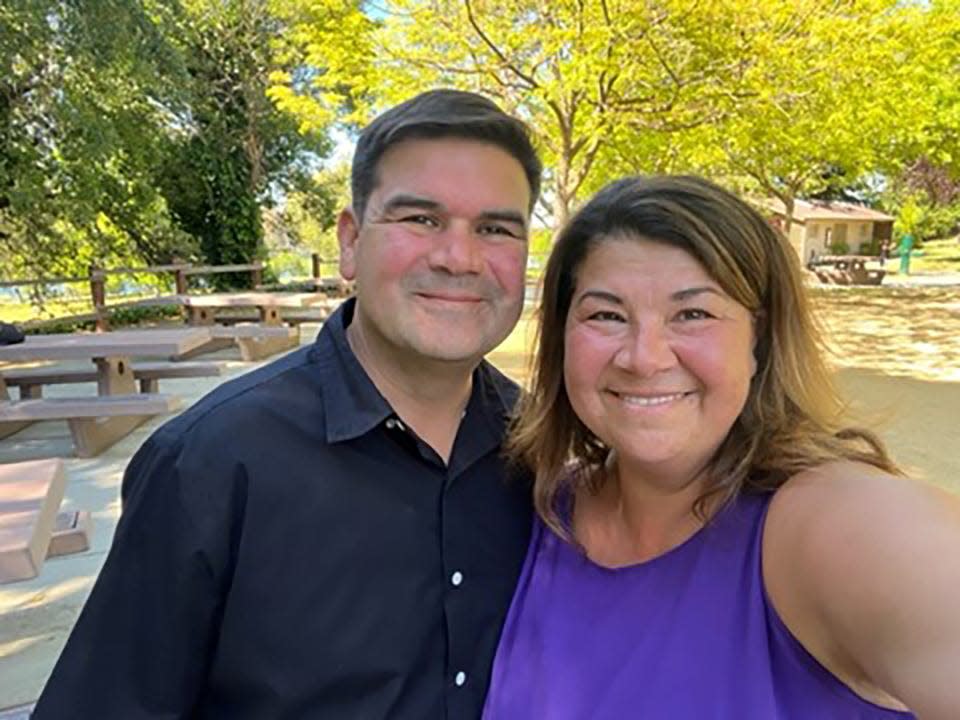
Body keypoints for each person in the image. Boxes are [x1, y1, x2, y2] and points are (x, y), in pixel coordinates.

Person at [33, 89, 542, 719]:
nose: (459, 258)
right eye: (420, 219)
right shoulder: (209, 464)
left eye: (494, 228)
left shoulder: (541, 452)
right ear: (350, 243)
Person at [483, 176, 960, 719]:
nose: (644, 358)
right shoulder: (542, 508)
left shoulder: (833, 527)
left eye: (693, 314)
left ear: (758, 341)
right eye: (607, 315)